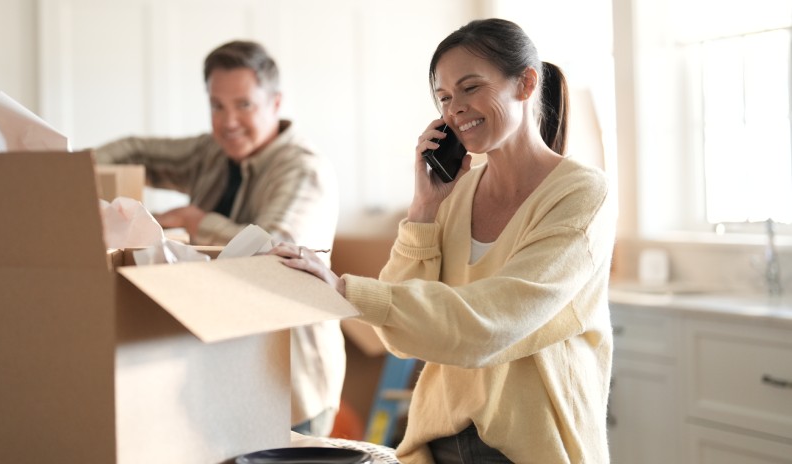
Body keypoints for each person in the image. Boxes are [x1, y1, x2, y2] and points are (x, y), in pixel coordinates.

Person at [271, 18, 617, 464]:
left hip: (534, 448)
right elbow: (398, 340)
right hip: (438, 443)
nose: (456, 109)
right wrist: (423, 211)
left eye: (470, 88)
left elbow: (492, 323)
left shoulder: (582, 193)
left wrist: (344, 290)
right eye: (445, 97)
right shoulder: (456, 194)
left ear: (526, 83)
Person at [93, 40, 345, 437]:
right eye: (217, 106)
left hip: (288, 379)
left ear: (276, 103)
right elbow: (135, 150)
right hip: (223, 372)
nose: (229, 122)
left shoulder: (303, 170)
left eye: (244, 105)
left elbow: (276, 255)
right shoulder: (212, 153)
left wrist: (196, 221)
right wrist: (69, 169)